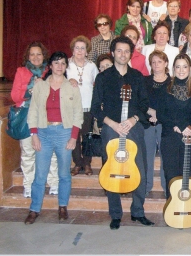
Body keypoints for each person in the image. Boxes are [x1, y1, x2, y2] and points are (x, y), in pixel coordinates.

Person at [91, 36, 154, 230]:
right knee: (112, 170)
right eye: (119, 51)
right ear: (113, 52)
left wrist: (133, 119)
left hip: (133, 127)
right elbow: (95, 108)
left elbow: (144, 105)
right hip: (111, 128)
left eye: (126, 51)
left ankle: (138, 212)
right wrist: (113, 124)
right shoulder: (103, 77)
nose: (123, 54)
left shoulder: (137, 77)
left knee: (140, 171)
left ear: (131, 54)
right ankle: (116, 214)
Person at [24, 51, 83, 225]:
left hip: (64, 133)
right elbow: (33, 111)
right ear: (50, 66)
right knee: (40, 175)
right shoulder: (40, 85)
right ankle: (34, 209)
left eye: (63, 63)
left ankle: (63, 206)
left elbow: (78, 114)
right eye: (56, 63)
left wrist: (73, 137)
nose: (59, 66)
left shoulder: (72, 86)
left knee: (64, 174)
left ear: (66, 67)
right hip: (44, 132)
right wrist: (34, 135)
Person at [11, 42, 59, 198]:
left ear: (44, 55)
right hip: (27, 117)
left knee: (51, 152)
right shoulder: (21, 71)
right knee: (28, 152)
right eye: (32, 54)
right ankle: (28, 185)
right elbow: (14, 96)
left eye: (39, 54)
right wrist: (29, 90)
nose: (36, 57)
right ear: (28, 56)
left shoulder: (50, 70)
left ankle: (54, 183)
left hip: (48, 117)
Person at [158, 54, 191, 199]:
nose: (181, 70)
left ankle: (183, 207)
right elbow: (161, 114)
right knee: (170, 174)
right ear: (173, 69)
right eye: (178, 66)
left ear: (190, 68)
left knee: (185, 174)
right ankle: (171, 206)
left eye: (185, 66)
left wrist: (188, 127)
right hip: (170, 136)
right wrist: (177, 126)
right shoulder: (164, 89)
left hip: (189, 137)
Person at [66, 36, 99, 176]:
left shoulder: (92, 66)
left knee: (86, 137)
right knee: (73, 137)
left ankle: (86, 163)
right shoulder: (66, 65)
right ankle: (77, 164)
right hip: (71, 108)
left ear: (87, 51)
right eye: (77, 48)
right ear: (73, 50)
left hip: (87, 107)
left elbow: (97, 84)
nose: (79, 51)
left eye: (82, 48)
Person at [143, 50, 171, 196]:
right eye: (153, 62)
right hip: (147, 123)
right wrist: (150, 112)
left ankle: (167, 187)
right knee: (147, 156)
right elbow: (140, 101)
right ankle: (146, 186)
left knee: (166, 156)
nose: (156, 64)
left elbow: (172, 104)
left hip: (165, 124)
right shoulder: (145, 81)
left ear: (165, 63)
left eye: (159, 61)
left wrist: (158, 114)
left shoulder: (172, 82)